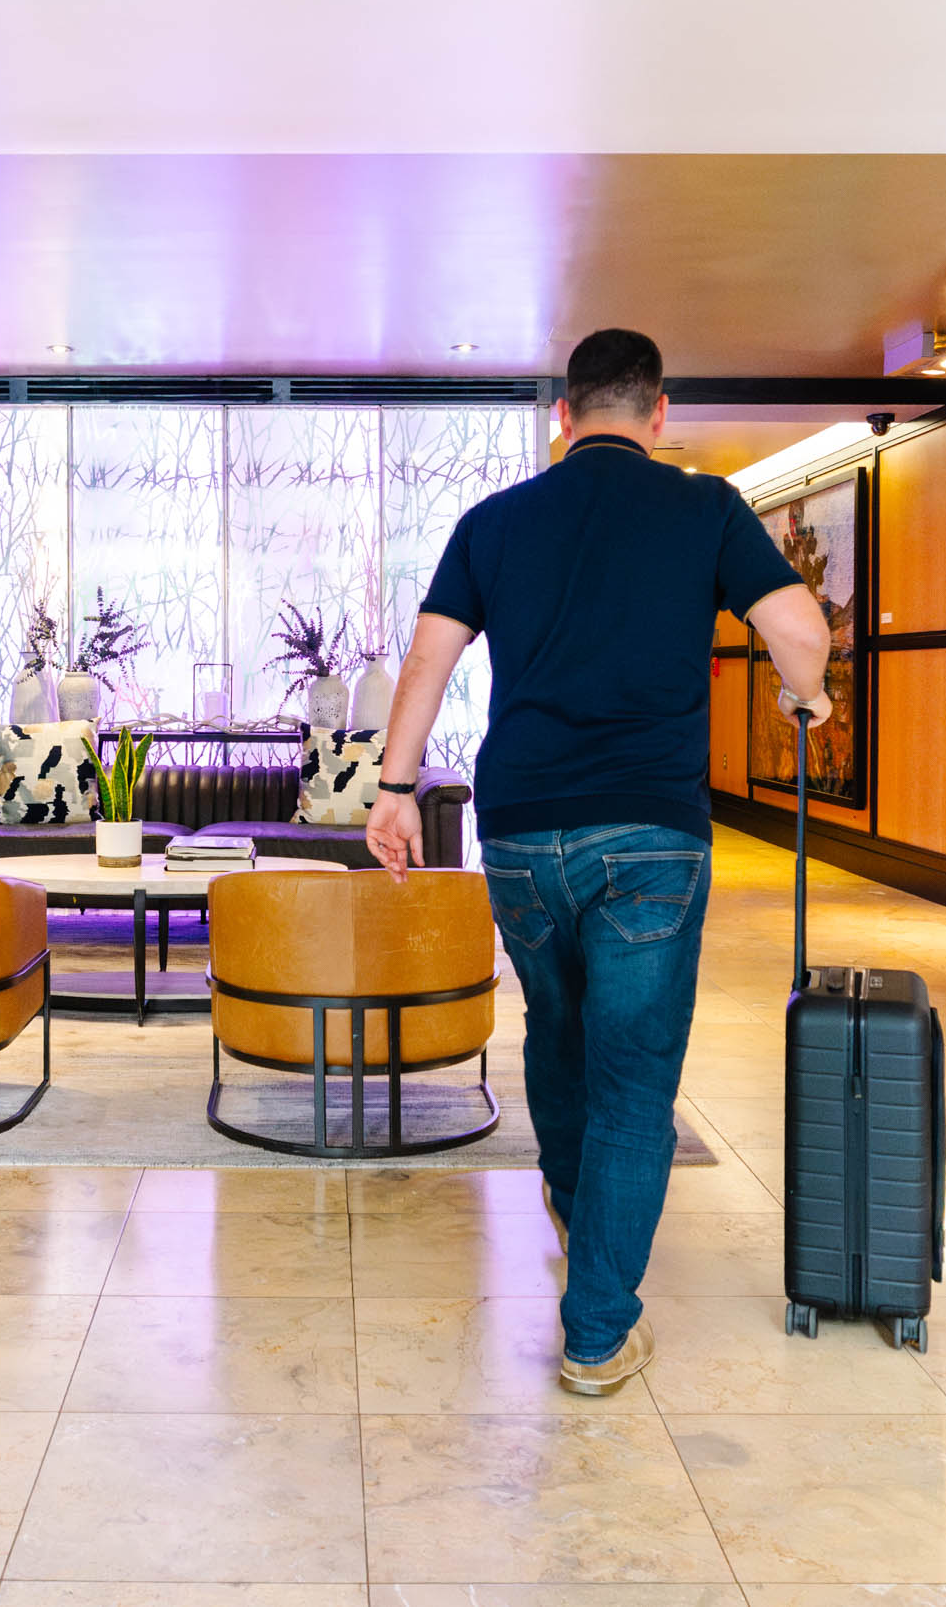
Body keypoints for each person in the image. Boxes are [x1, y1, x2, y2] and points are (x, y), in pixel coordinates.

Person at [366, 327, 832, 1394]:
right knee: (634, 1075)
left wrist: (394, 791)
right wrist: (802, 696)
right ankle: (597, 1332)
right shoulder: (707, 508)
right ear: (659, 413)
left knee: (557, 1028)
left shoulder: (495, 520)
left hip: (522, 829)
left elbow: (429, 657)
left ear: (563, 416)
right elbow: (802, 632)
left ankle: (581, 1214)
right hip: (649, 834)